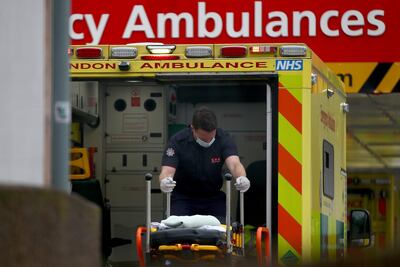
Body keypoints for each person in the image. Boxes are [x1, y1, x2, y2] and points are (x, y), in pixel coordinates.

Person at [159, 106, 250, 222]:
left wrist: (242, 177)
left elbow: (234, 164)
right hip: (183, 197)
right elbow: (167, 171)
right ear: (193, 128)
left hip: (213, 197)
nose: (208, 142)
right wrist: (164, 182)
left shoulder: (223, 138)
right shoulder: (178, 141)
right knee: (176, 230)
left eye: (210, 138)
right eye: (204, 139)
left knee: (224, 231)